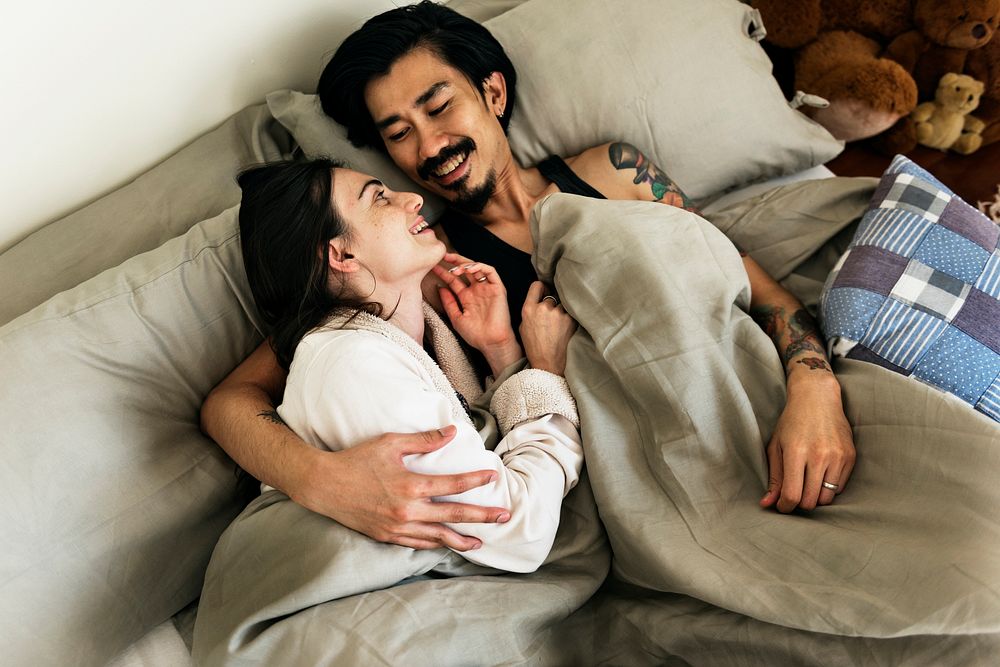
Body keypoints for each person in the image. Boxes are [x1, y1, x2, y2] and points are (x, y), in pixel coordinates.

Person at [200, 2, 855, 550]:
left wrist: (815, 388)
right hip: (655, 479)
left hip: (763, 397)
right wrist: (320, 479)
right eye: (398, 134)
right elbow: (231, 400)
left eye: (438, 106)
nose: (429, 148)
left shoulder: (617, 173)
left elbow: (738, 281)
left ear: (492, 92)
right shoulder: (430, 267)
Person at [236, 157, 583, 572]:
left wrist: (501, 349)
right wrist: (546, 373)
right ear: (342, 254)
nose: (414, 199)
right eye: (379, 198)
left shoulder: (405, 338)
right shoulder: (351, 366)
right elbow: (521, 532)